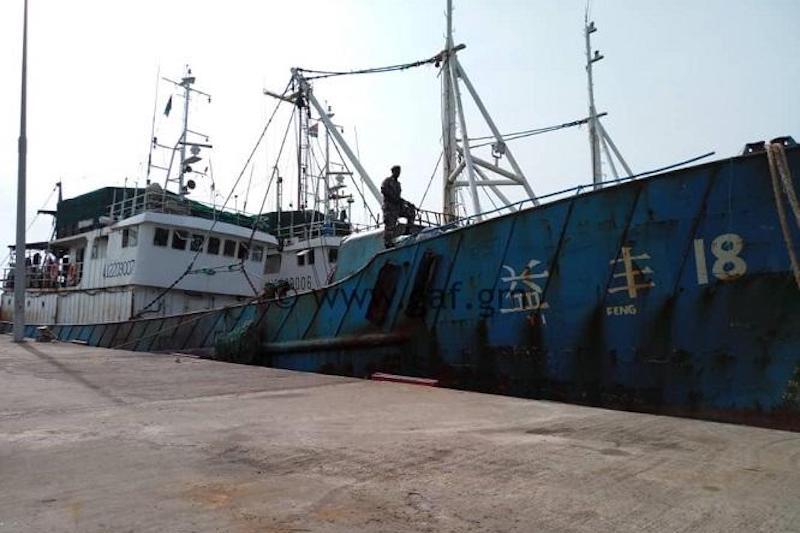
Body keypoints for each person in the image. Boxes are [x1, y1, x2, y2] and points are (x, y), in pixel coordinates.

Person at [381, 165, 416, 247]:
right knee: (390, 225)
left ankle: (408, 231)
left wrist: (407, 203)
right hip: (390, 207)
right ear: (393, 172)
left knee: (410, 212)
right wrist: (393, 198)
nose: (398, 173)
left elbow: (399, 197)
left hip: (397, 206)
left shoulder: (398, 184)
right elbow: (384, 190)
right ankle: (388, 242)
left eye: (399, 172)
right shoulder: (387, 181)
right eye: (396, 171)